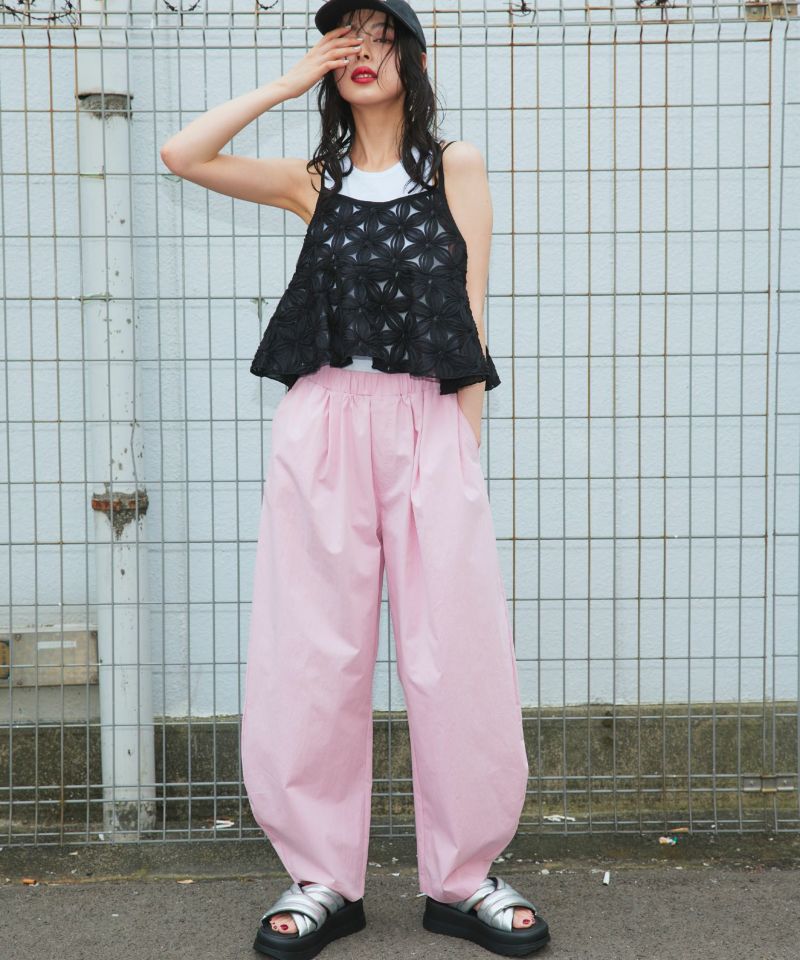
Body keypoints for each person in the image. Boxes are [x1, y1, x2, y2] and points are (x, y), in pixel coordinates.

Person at [161, 2, 550, 957]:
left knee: (456, 650)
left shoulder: (456, 166)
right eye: (345, 40)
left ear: (410, 55)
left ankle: (463, 878)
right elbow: (183, 154)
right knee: (311, 652)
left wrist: (463, 448)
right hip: (326, 421)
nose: (361, 53)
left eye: (378, 37)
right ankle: (322, 878)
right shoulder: (314, 180)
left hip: (429, 421)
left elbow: (472, 311)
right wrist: (291, 80)